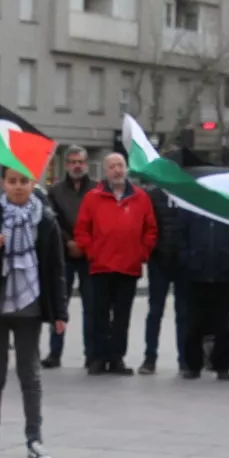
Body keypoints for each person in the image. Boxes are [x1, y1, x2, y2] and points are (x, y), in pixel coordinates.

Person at [0, 165, 68, 458]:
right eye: (12, 181)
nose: (18, 187)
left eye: (24, 181)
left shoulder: (46, 220)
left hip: (30, 307)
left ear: (32, 183)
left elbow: (56, 270)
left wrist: (60, 312)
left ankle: (34, 441)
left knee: (30, 375)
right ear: (3, 184)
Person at [74, 152, 157, 376]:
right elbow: (82, 230)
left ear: (126, 168)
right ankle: (99, 358)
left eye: (120, 165)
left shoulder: (140, 197)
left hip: (128, 268)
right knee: (99, 315)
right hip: (101, 266)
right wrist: (92, 252)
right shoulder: (93, 197)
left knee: (122, 317)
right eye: (112, 166)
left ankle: (117, 358)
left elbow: (150, 230)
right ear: (105, 171)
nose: (117, 170)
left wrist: (141, 253)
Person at [43, 146, 96, 368]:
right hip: (63, 256)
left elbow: (100, 222)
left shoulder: (97, 190)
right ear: (66, 165)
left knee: (92, 306)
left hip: (89, 255)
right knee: (59, 305)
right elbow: (51, 221)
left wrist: (83, 244)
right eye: (72, 161)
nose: (77, 165)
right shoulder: (54, 191)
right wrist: (68, 242)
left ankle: (92, 354)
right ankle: (55, 353)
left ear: (86, 164)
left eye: (80, 162)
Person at [175, 210, 229, 379]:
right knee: (195, 321)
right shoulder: (191, 207)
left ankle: (222, 365)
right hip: (196, 273)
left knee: (222, 322)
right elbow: (180, 234)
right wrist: (187, 257)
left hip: (224, 274)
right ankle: (193, 365)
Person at [140, 183, 186, 375]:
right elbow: (146, 224)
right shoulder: (153, 195)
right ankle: (150, 358)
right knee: (155, 311)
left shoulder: (188, 193)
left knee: (184, 314)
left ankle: (185, 359)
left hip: (183, 261)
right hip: (159, 259)